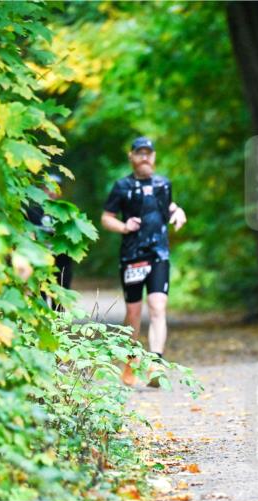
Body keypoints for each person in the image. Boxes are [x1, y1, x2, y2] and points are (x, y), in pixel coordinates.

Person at [101, 137, 187, 386]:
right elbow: (107, 217)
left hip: (159, 253)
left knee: (158, 307)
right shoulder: (122, 186)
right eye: (140, 153)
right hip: (132, 256)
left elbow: (165, 204)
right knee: (134, 313)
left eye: (149, 153)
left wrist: (177, 211)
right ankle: (131, 361)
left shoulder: (163, 184)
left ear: (154, 156)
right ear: (132, 157)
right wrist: (123, 226)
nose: (145, 157)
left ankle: (156, 366)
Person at [23, 173, 73, 311]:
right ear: (41, 190)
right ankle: (43, 329)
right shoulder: (31, 212)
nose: (51, 191)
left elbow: (75, 240)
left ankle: (59, 330)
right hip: (40, 263)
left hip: (62, 263)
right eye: (48, 187)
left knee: (61, 298)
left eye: (56, 188)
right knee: (40, 297)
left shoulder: (68, 212)